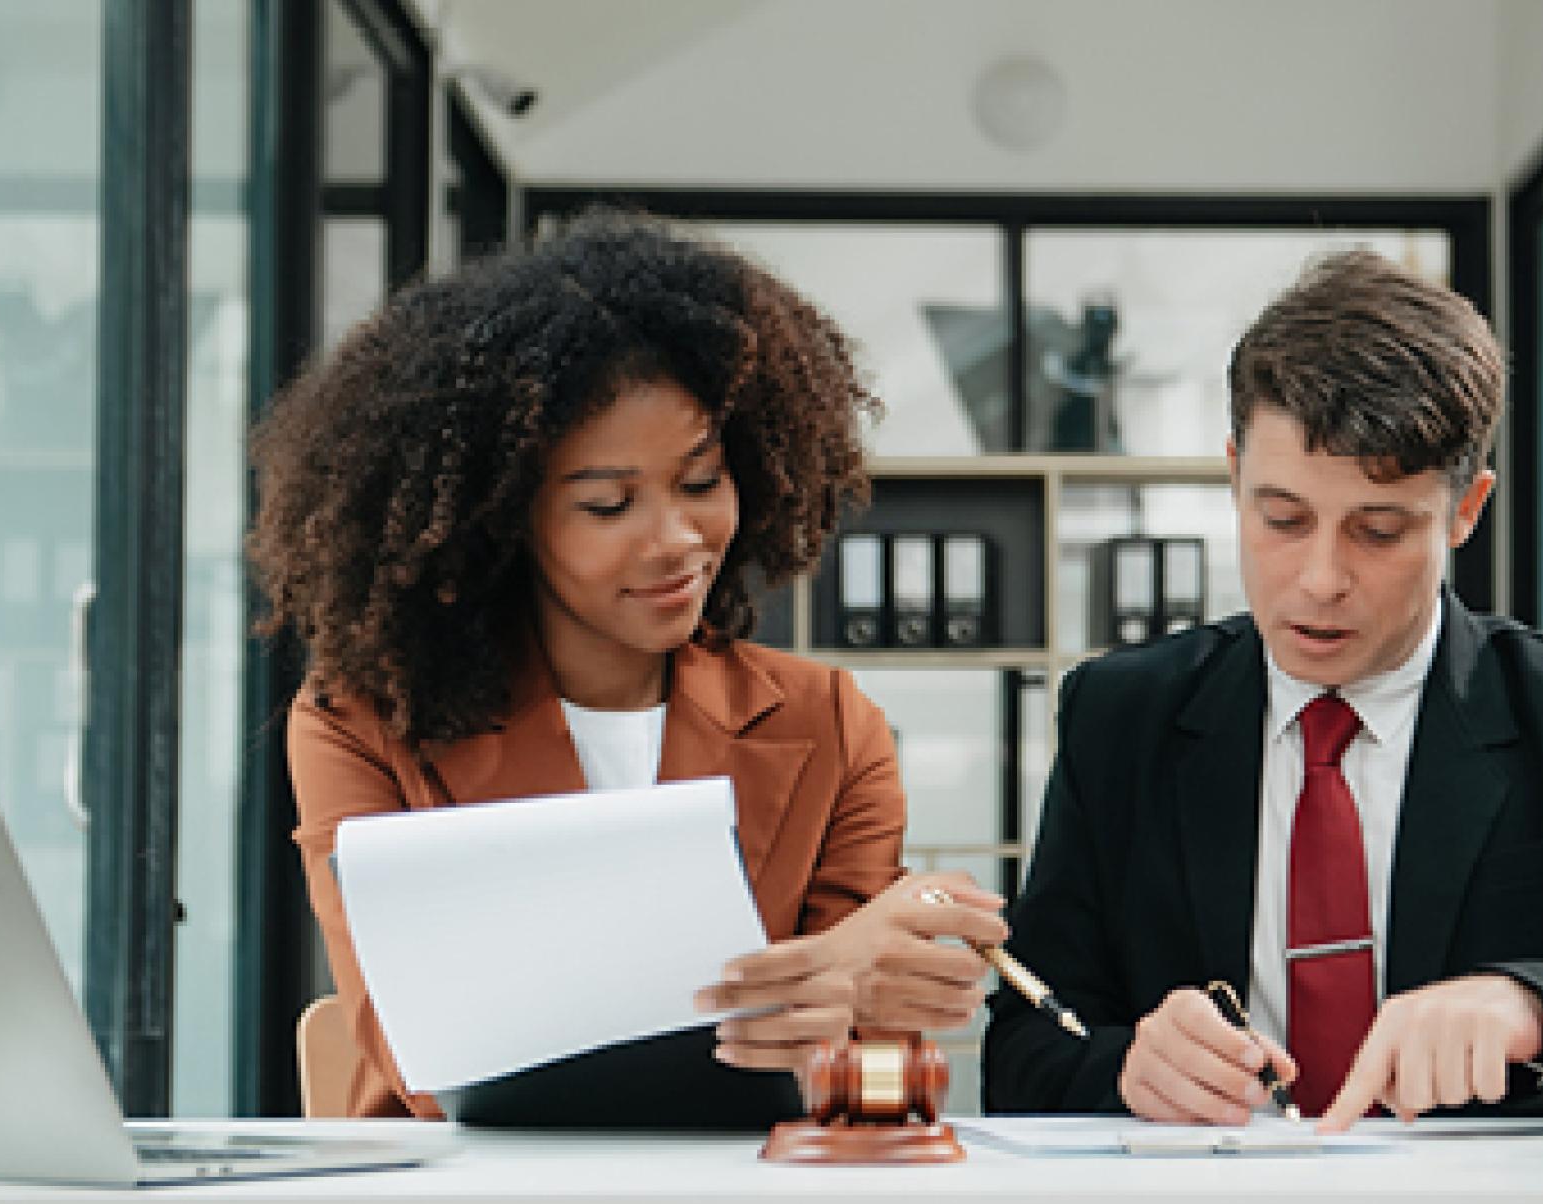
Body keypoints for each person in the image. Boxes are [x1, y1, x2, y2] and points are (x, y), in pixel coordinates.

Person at [981, 249, 1543, 1129]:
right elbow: (1025, 1045)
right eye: (1282, 519)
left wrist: (1537, 1010)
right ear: (1233, 476)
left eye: (1378, 531)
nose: (1319, 580)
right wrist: (1128, 1069)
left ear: (1465, 509)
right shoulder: (1122, 718)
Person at [249, 212, 1004, 1119]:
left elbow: (880, 1084)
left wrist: (864, 1002)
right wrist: (810, 982)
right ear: (502, 519)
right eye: (609, 505)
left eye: (700, 484)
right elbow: (425, 1058)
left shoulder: (829, 726)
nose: (678, 541)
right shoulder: (362, 723)